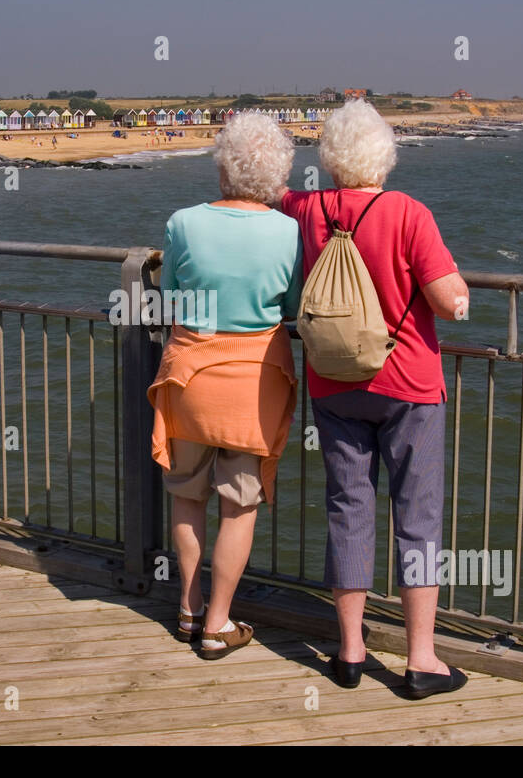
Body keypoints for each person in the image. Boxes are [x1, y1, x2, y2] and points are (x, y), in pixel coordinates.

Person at [277, 99, 470, 697]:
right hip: (408, 385)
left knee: (348, 507)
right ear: (385, 158)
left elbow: (265, 195)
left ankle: (351, 652)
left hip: (333, 384)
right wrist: (462, 295)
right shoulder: (409, 213)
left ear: (330, 160)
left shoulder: (307, 209)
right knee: (418, 519)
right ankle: (419, 660)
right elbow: (448, 301)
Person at [149, 113, 302, 660]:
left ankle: (187, 609)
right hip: (254, 384)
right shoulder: (289, 231)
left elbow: (167, 299)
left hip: (189, 375)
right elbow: (290, 309)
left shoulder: (184, 223)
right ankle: (217, 624)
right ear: (277, 173)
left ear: (223, 166)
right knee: (240, 506)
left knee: (186, 495)